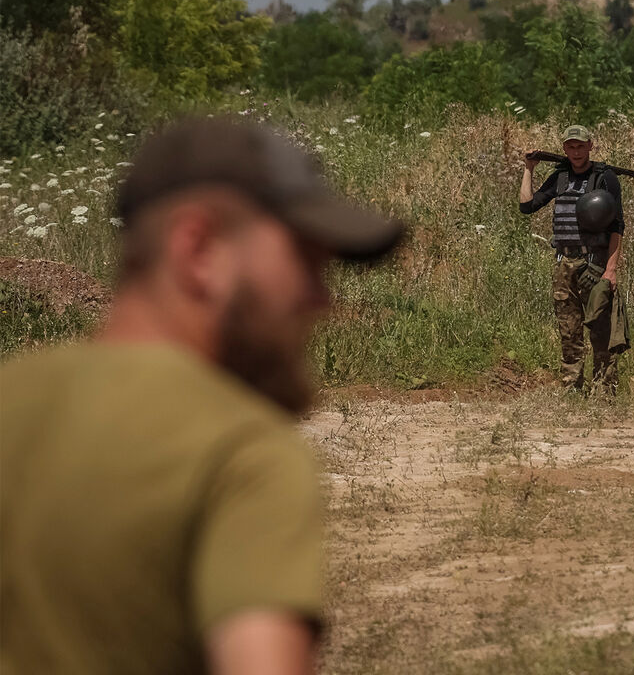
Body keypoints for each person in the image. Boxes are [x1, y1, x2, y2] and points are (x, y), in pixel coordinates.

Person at [1, 118, 406, 675]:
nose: (322, 299)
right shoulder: (241, 454)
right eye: (305, 262)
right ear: (199, 249)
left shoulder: (13, 396)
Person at [519, 125, 625, 395]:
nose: (576, 152)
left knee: (601, 330)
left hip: (595, 264)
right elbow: (527, 206)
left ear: (591, 145)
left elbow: (617, 227)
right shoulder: (560, 177)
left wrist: (611, 270)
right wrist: (529, 168)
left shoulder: (605, 178)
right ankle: (572, 390)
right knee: (569, 331)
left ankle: (604, 391)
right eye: (571, 147)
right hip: (564, 264)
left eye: (581, 146)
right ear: (564, 149)